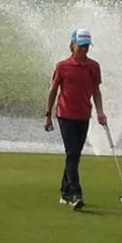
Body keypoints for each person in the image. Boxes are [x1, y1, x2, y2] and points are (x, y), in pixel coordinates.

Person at [42, 29, 108, 209]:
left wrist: (100, 112)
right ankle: (75, 193)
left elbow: (96, 90)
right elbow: (53, 91)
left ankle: (64, 191)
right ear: (72, 45)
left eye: (87, 46)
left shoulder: (93, 66)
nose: (84, 50)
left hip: (84, 115)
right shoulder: (62, 66)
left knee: (75, 155)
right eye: (81, 46)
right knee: (72, 153)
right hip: (65, 115)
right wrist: (48, 115)